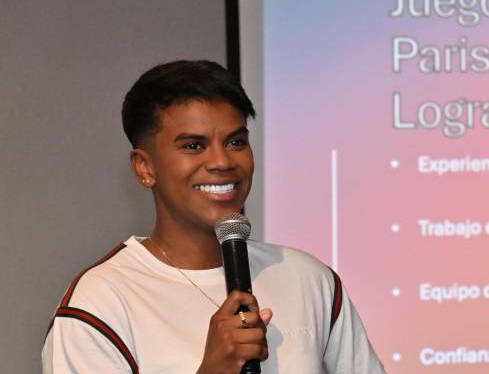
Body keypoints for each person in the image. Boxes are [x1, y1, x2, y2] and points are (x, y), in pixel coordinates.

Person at [42, 60, 385, 373]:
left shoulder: (309, 279)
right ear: (144, 167)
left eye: (236, 142)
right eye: (194, 146)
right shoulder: (101, 303)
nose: (222, 162)